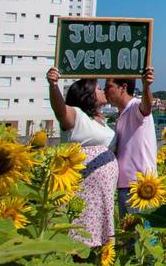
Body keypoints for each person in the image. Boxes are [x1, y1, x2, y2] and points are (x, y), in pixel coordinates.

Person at [47, 69, 117, 248]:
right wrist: (53, 86)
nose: (102, 91)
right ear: (87, 94)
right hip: (83, 188)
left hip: (102, 193)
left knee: (97, 238)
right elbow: (59, 109)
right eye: (98, 88)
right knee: (77, 233)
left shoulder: (101, 120)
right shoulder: (76, 116)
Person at [105, 68, 156, 218]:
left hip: (141, 186)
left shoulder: (135, 106)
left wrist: (146, 86)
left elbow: (146, 107)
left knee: (143, 237)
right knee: (129, 237)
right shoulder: (121, 114)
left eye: (109, 86)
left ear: (123, 88)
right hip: (125, 185)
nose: (105, 91)